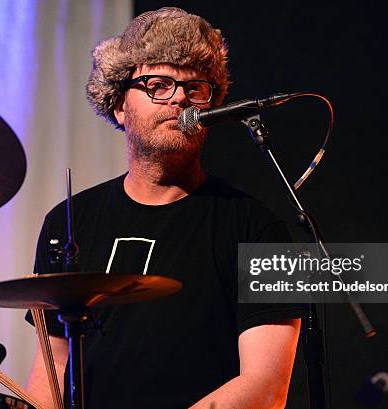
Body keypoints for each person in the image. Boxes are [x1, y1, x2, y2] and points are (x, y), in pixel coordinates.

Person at [26, 7, 302, 409]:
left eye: (196, 89)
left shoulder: (260, 230)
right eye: (158, 84)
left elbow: (266, 388)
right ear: (119, 105)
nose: (178, 98)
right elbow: (50, 374)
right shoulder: (67, 222)